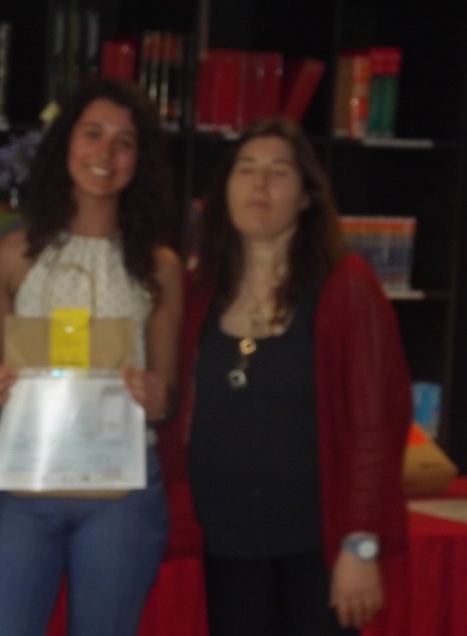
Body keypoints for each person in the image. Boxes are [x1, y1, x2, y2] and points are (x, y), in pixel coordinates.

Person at [166, 117, 411, 635]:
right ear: (223, 191)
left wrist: (360, 545)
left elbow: (375, 427)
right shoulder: (199, 292)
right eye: (245, 169)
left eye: (278, 172)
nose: (259, 184)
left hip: (316, 549)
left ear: (305, 197)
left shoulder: (347, 288)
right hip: (225, 546)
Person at [0, 77, 183, 635]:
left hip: (121, 487)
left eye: (124, 142)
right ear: (65, 142)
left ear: (141, 160)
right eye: (92, 134)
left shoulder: (159, 267)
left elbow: (169, 395)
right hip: (27, 480)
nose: (105, 153)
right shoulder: (14, 254)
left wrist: (157, 396)